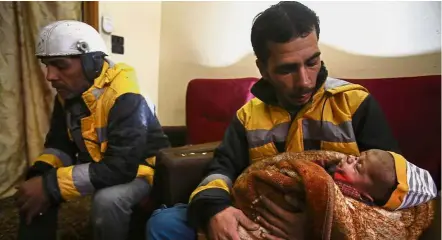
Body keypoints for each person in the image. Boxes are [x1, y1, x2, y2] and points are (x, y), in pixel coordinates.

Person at [146, 2, 436, 240]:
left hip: (336, 227)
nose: (304, 81)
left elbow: (391, 192)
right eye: (287, 69)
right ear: (263, 68)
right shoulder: (247, 117)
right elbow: (220, 171)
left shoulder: (355, 103)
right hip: (257, 217)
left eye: (312, 62)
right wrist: (214, 212)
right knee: (163, 224)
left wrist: (321, 229)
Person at [14, 20, 170, 240]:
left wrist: (50, 185)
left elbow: (121, 167)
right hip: (102, 164)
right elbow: (60, 144)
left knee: (107, 200)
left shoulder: (126, 94)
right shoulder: (68, 92)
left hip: (142, 171)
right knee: (34, 191)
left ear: (91, 62)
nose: (50, 76)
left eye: (61, 65)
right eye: (46, 65)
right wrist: (40, 176)